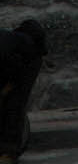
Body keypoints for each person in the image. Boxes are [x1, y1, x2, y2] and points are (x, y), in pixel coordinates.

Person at [0, 20, 47, 164]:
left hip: (27, 63)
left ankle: (9, 152)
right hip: (11, 60)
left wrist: (6, 89)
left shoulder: (7, 50)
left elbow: (15, 71)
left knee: (14, 104)